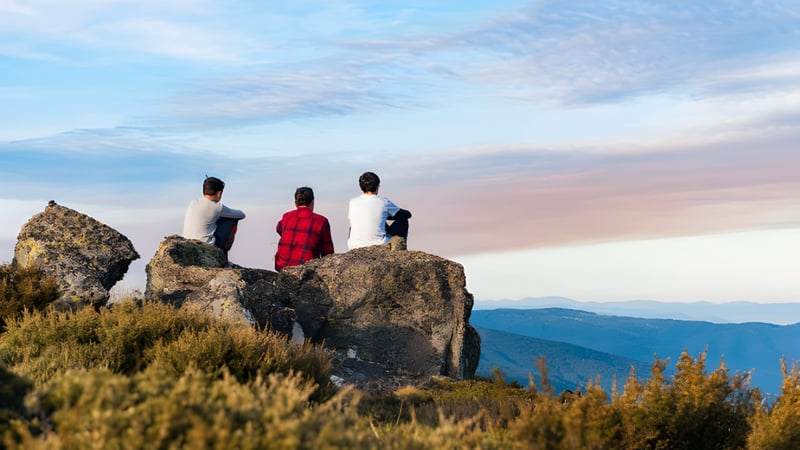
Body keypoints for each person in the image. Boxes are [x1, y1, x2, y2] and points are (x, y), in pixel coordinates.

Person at [347, 171, 411, 250]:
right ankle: (399, 250)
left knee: (354, 224)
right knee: (403, 221)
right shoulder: (383, 202)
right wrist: (386, 215)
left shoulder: (352, 202)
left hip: (354, 246)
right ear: (377, 186)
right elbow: (407, 215)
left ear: (360, 186)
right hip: (378, 244)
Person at [275, 186, 334, 271]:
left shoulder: (286, 217)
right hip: (307, 269)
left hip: (283, 267)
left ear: (295, 203)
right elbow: (328, 252)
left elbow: (279, 229)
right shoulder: (321, 221)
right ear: (312, 202)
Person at [182, 176, 246, 252]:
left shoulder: (193, 202)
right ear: (219, 193)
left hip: (187, 243)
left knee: (214, 218)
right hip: (205, 247)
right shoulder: (217, 207)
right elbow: (242, 214)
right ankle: (222, 254)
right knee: (231, 220)